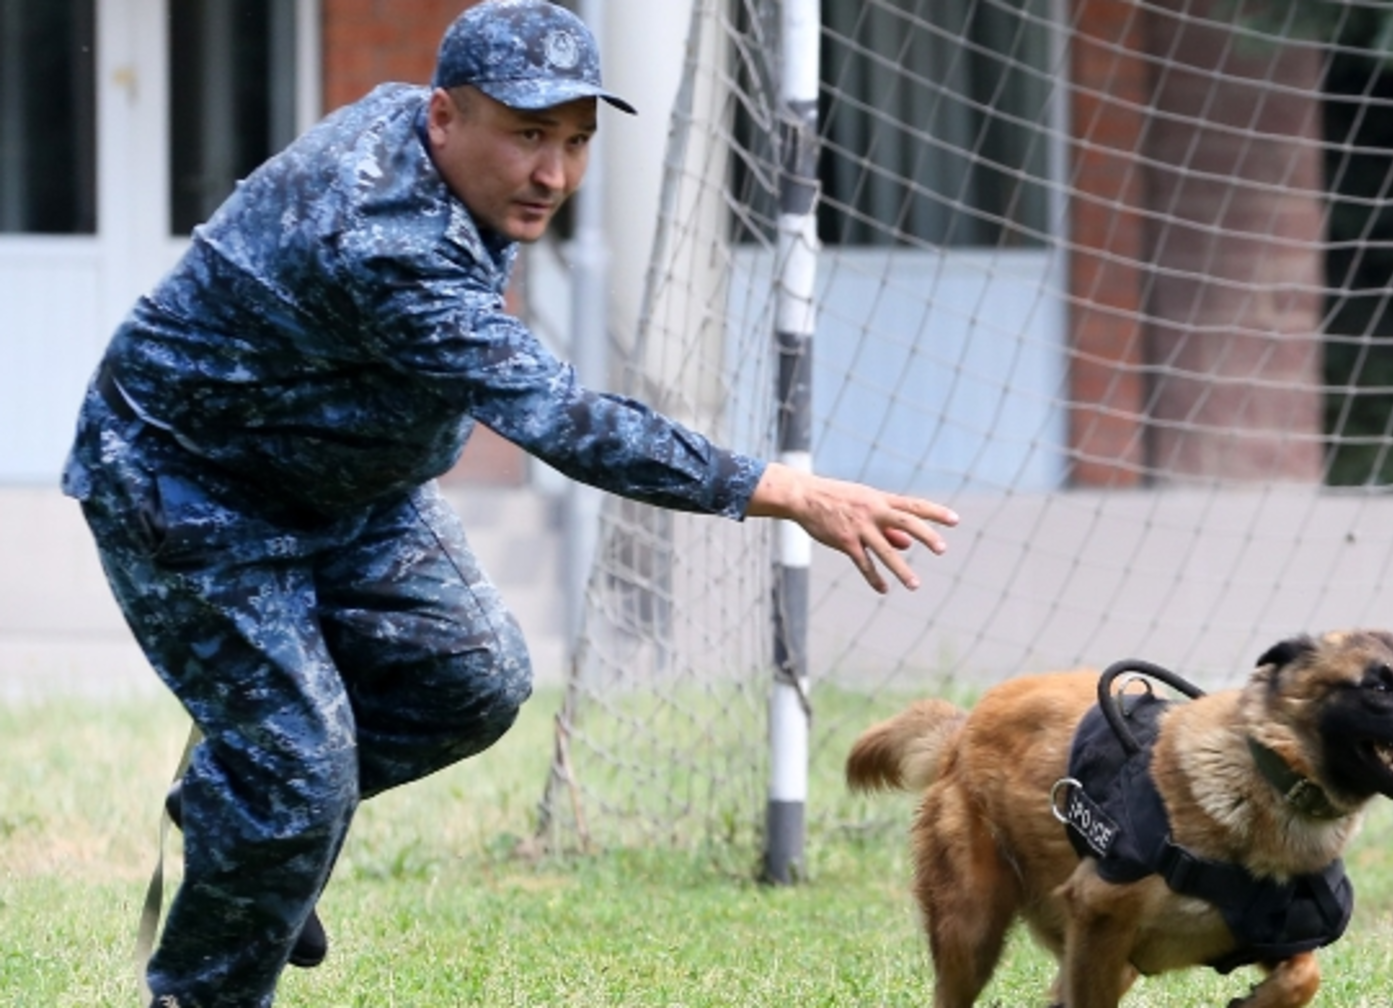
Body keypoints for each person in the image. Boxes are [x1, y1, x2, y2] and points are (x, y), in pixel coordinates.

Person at [61, 3, 957, 1005]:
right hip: (193, 488)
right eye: (529, 136)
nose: (554, 176)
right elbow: (561, 418)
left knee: (474, 683)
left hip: (352, 479)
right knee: (298, 772)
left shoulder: (440, 151)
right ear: (444, 117)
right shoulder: (383, 238)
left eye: (576, 142)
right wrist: (780, 489)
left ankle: (245, 810)